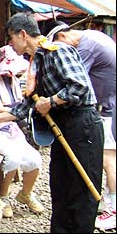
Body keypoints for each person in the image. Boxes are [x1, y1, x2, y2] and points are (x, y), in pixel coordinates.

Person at [0, 12, 103, 233]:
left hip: (82, 124)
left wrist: (52, 101)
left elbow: (80, 87)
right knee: (60, 184)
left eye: (11, 38)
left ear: (22, 34)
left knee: (81, 189)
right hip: (62, 127)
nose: (9, 44)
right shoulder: (36, 62)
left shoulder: (57, 51)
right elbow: (28, 104)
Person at [43, 20, 116, 230]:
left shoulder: (83, 46)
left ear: (62, 36)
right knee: (73, 180)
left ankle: (112, 207)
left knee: (92, 174)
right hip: (101, 106)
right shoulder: (92, 38)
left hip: (92, 113)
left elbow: (76, 85)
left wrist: (49, 101)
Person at [0, 45, 44, 218]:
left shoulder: (14, 83)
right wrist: (19, 109)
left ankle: (25, 193)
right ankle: (2, 195)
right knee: (12, 157)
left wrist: (17, 110)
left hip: (11, 129)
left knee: (35, 159)